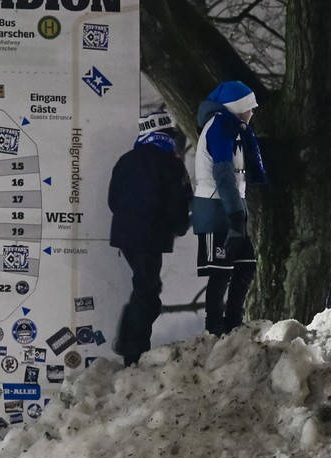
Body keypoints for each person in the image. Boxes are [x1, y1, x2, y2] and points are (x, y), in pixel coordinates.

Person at [108, 111, 193, 366]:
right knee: (147, 292)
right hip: (151, 236)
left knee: (146, 289)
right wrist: (180, 226)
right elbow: (178, 205)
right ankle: (132, 351)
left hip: (125, 236)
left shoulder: (126, 160)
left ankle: (131, 345)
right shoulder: (170, 163)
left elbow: (113, 201)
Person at [192, 80, 267, 336]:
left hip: (232, 206)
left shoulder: (233, 128)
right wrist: (236, 215)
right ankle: (214, 327)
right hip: (215, 207)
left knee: (246, 265)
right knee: (221, 270)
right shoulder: (220, 125)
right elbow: (223, 173)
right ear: (237, 106)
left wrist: (238, 211)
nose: (253, 112)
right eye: (250, 106)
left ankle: (233, 322)